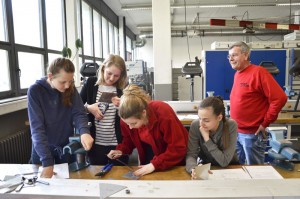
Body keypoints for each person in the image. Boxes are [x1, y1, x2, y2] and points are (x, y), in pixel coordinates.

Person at [27, 57, 94, 178]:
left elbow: (79, 113)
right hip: (42, 150)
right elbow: (37, 129)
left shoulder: (70, 89)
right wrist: (47, 162)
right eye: (63, 82)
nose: (68, 86)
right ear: (50, 76)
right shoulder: (35, 91)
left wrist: (84, 132)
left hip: (64, 149)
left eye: (70, 81)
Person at [107, 84, 189, 176]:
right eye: (127, 124)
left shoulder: (162, 111)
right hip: (150, 158)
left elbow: (178, 147)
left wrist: (155, 165)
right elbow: (128, 140)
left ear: (143, 113)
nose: (130, 127)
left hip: (172, 160)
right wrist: (120, 151)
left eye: (133, 124)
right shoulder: (127, 120)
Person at [228, 41, 287, 165]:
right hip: (237, 132)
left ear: (246, 55)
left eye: (234, 55)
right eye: (229, 56)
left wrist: (265, 123)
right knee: (236, 168)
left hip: (252, 134)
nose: (231, 59)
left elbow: (280, 98)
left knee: (255, 172)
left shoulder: (259, 73)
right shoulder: (237, 74)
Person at [80, 54, 128, 165]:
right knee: (97, 175)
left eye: (116, 76)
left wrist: (123, 106)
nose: (111, 78)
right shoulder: (91, 83)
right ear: (103, 69)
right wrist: (88, 108)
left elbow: (131, 114)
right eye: (109, 73)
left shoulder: (123, 87)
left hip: (118, 143)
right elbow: (75, 109)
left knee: (119, 176)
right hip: (96, 143)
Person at [185, 96, 238, 179]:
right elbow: (191, 155)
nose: (201, 124)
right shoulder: (195, 125)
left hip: (230, 169)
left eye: (206, 120)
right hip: (207, 169)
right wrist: (193, 169)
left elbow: (224, 162)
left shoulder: (230, 125)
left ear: (219, 118)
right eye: (200, 118)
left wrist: (207, 139)